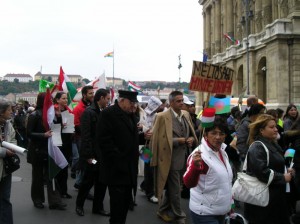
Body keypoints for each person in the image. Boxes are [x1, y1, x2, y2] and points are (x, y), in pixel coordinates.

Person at [150, 90, 198, 224]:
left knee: (175, 187)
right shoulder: (161, 116)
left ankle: (162, 210)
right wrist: (179, 141)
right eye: (178, 101)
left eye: (182, 100)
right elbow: (158, 140)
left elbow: (191, 133)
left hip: (184, 157)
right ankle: (179, 215)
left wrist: (190, 140)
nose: (182, 103)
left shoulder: (186, 115)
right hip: (169, 159)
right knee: (176, 189)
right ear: (171, 103)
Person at [97, 90, 140, 224]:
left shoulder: (131, 114)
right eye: (131, 103)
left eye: (135, 103)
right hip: (116, 171)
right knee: (117, 209)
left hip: (129, 171)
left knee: (124, 207)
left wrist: (143, 137)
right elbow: (104, 143)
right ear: (121, 101)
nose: (134, 106)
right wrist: (120, 162)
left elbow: (129, 138)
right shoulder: (108, 114)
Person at [244, 114, 293, 224]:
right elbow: (262, 172)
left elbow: (275, 164)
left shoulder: (272, 144)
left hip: (275, 199)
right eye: (271, 127)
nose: (276, 130)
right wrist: (282, 177)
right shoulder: (257, 147)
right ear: (261, 130)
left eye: (275, 126)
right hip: (263, 204)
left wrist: (285, 170)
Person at [183, 117, 233, 224]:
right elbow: (188, 183)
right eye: (213, 133)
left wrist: (229, 205)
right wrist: (195, 168)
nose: (218, 137)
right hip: (205, 213)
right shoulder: (199, 155)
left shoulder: (222, 152)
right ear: (206, 135)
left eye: (221, 134)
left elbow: (226, 182)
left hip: (221, 211)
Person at [27, 93, 66, 210]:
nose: (51, 102)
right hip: (38, 149)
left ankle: (55, 201)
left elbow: (56, 130)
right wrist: (43, 135)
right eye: (49, 100)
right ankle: (38, 200)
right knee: (38, 177)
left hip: (50, 148)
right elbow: (29, 133)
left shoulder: (52, 114)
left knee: (52, 175)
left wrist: (59, 118)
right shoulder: (34, 115)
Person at [75, 88, 110, 217]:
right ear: (100, 98)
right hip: (92, 157)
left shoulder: (103, 112)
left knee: (101, 183)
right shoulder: (88, 113)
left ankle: (98, 207)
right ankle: (79, 205)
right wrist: (89, 156)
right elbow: (86, 137)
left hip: (102, 156)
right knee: (88, 181)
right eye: (107, 99)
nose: (108, 101)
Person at [53, 91, 73, 199]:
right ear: (57, 100)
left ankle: (64, 191)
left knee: (65, 168)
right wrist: (60, 121)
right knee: (58, 168)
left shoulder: (67, 111)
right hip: (57, 141)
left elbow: (69, 129)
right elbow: (53, 128)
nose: (65, 100)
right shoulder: (53, 111)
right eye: (63, 98)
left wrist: (69, 126)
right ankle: (57, 191)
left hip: (66, 142)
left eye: (66, 99)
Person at [72, 85, 94, 184]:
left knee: (88, 160)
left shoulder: (91, 105)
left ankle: (81, 180)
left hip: (89, 138)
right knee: (83, 159)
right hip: (81, 138)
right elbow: (76, 125)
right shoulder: (78, 109)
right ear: (84, 95)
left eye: (93, 93)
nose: (93, 95)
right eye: (90, 93)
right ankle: (79, 181)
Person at [0, 101, 17, 224]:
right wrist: (4, 152)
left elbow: (13, 138)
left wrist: (13, 147)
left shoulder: (8, 124)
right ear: (1, 112)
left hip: (5, 169)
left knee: (5, 199)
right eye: (9, 110)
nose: (11, 112)